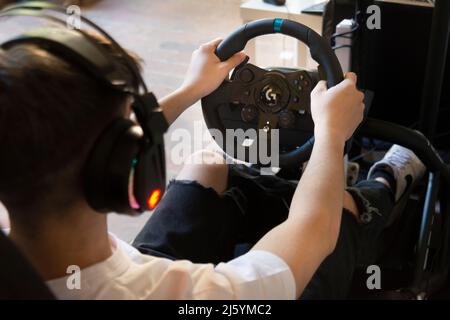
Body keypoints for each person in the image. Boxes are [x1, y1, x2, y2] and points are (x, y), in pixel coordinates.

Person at [0, 29, 425, 299]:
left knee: (207, 163)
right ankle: (384, 183)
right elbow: (313, 232)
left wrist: (189, 90)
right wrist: (331, 136)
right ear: (113, 164)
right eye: (130, 124)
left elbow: (79, 146)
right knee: (337, 211)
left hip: (127, 266)